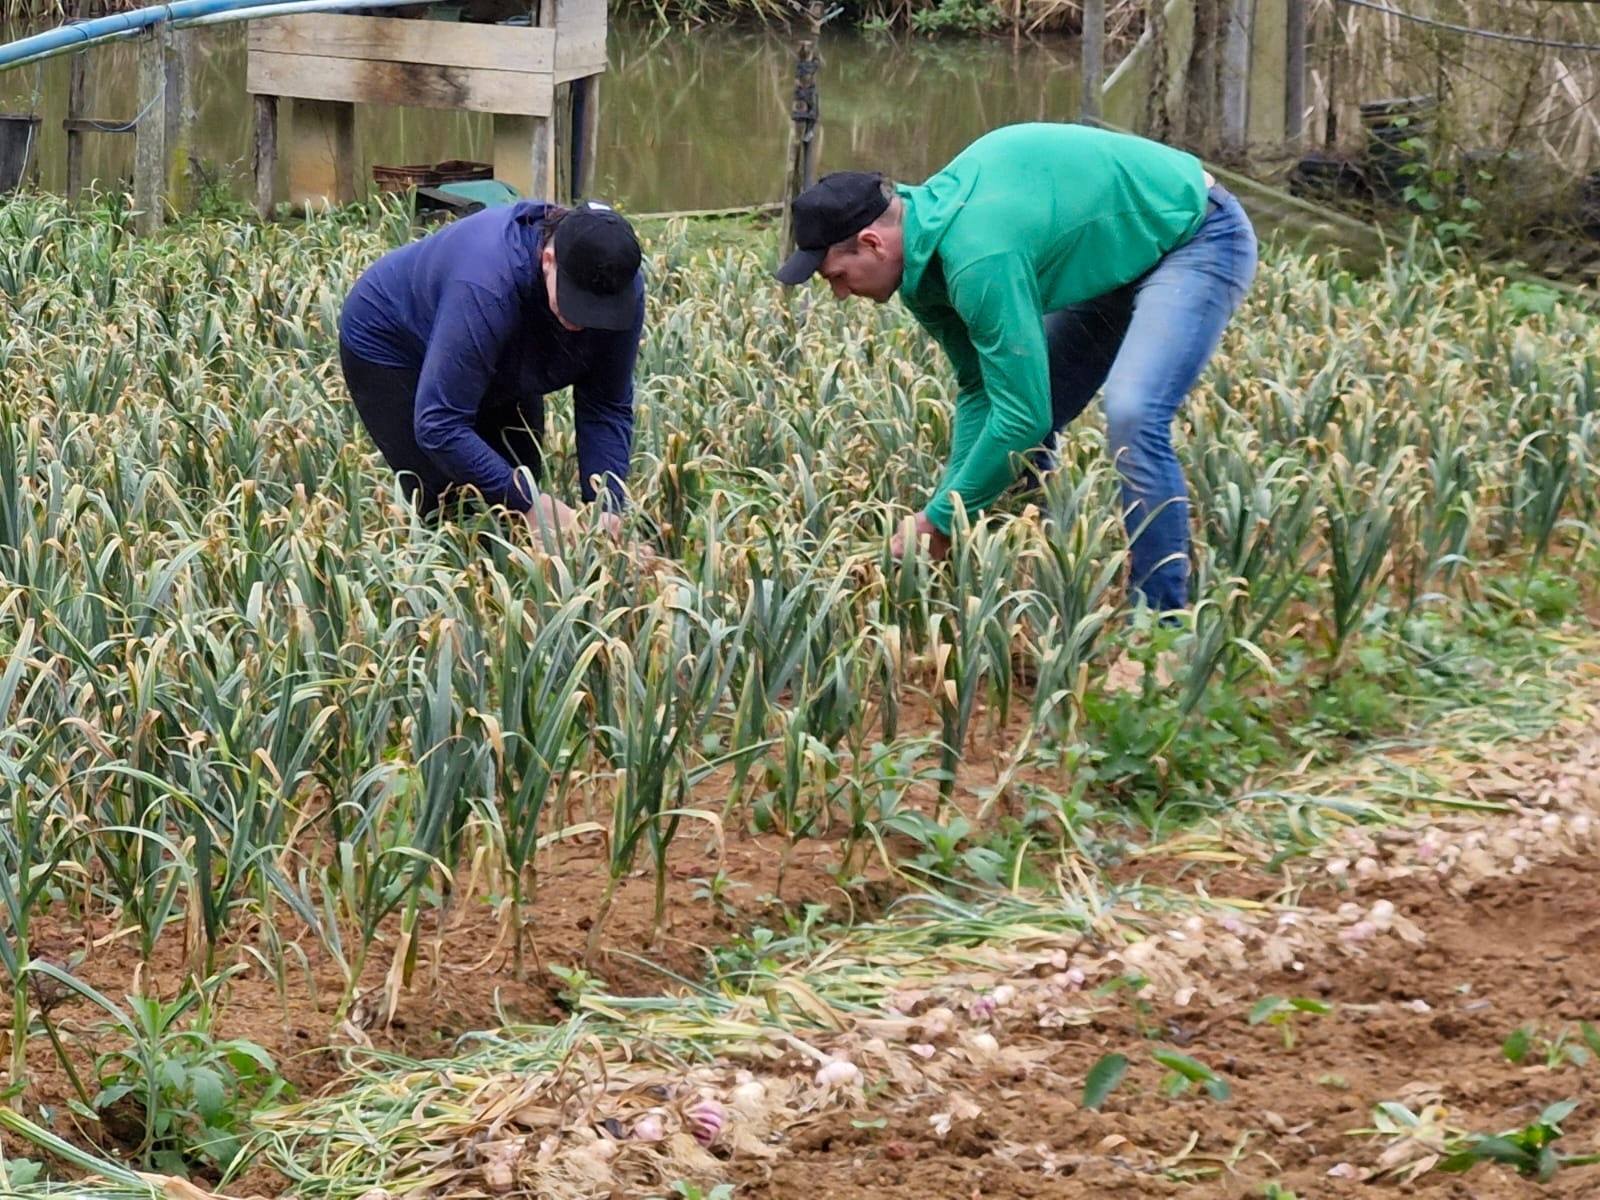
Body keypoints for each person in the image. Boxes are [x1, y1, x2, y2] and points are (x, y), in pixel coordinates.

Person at [776, 122, 1258, 613]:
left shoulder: (977, 256)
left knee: (1133, 412)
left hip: (1194, 232)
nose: (838, 293)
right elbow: (981, 390)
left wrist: (941, 520)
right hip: (1107, 260)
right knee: (1021, 413)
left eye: (836, 276)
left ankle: (1161, 628)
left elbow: (1022, 415)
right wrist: (950, 507)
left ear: (873, 243)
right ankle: (1031, 593)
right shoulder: (921, 270)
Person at [338, 199, 645, 538]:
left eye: (599, 313)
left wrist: (606, 508)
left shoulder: (620, 284)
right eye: (576, 305)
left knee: (521, 476)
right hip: (394, 343)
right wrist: (531, 505)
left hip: (504, 344)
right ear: (548, 261)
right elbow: (439, 423)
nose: (584, 324)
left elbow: (605, 404)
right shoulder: (486, 283)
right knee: (454, 510)